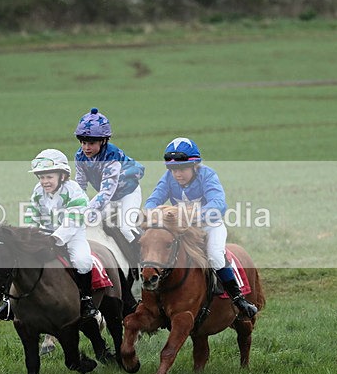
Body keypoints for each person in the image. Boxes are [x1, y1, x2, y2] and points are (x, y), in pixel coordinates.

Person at [143, 137, 258, 319]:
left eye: (182, 169)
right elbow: (152, 201)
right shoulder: (168, 178)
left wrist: (190, 216)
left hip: (210, 226)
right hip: (184, 229)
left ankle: (238, 298)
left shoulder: (208, 175)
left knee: (214, 255)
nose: (177, 174)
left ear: (195, 165)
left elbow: (219, 205)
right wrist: (154, 214)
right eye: (173, 169)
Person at [23, 148, 99, 320]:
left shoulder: (74, 190)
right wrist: (29, 235)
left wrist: (55, 238)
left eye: (49, 177)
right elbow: (32, 214)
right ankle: (10, 301)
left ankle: (86, 299)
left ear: (62, 175)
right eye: (41, 177)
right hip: (46, 234)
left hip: (73, 235)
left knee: (82, 260)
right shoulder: (38, 191)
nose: (45, 182)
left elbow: (73, 220)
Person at [74, 108, 145, 257]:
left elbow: (106, 191)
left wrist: (87, 210)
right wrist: (75, 205)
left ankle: (143, 257)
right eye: (83, 142)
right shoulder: (80, 156)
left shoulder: (111, 156)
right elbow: (80, 185)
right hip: (110, 198)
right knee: (90, 223)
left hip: (128, 194)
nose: (86, 147)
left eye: (91, 143)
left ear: (103, 141)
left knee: (126, 228)